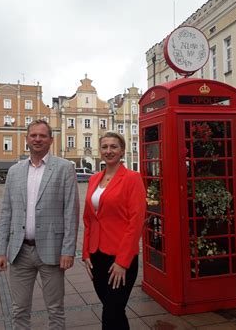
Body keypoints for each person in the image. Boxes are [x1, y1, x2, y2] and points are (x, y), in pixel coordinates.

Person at [0, 119, 79, 330]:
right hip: (19, 251)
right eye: (33, 135)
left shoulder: (64, 168)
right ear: (26, 139)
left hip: (52, 251)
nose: (37, 139)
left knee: (55, 309)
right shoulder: (14, 171)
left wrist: (68, 250)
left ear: (51, 139)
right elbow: (6, 212)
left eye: (42, 135)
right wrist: (0, 250)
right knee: (19, 309)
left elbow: (71, 212)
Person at [82, 131, 146, 330]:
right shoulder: (94, 179)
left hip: (119, 257)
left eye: (113, 147)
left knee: (111, 311)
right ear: (99, 150)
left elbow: (135, 222)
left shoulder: (132, 178)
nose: (108, 151)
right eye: (104, 147)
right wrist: (86, 253)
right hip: (96, 256)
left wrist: (122, 262)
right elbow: (88, 220)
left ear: (122, 151)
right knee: (114, 310)